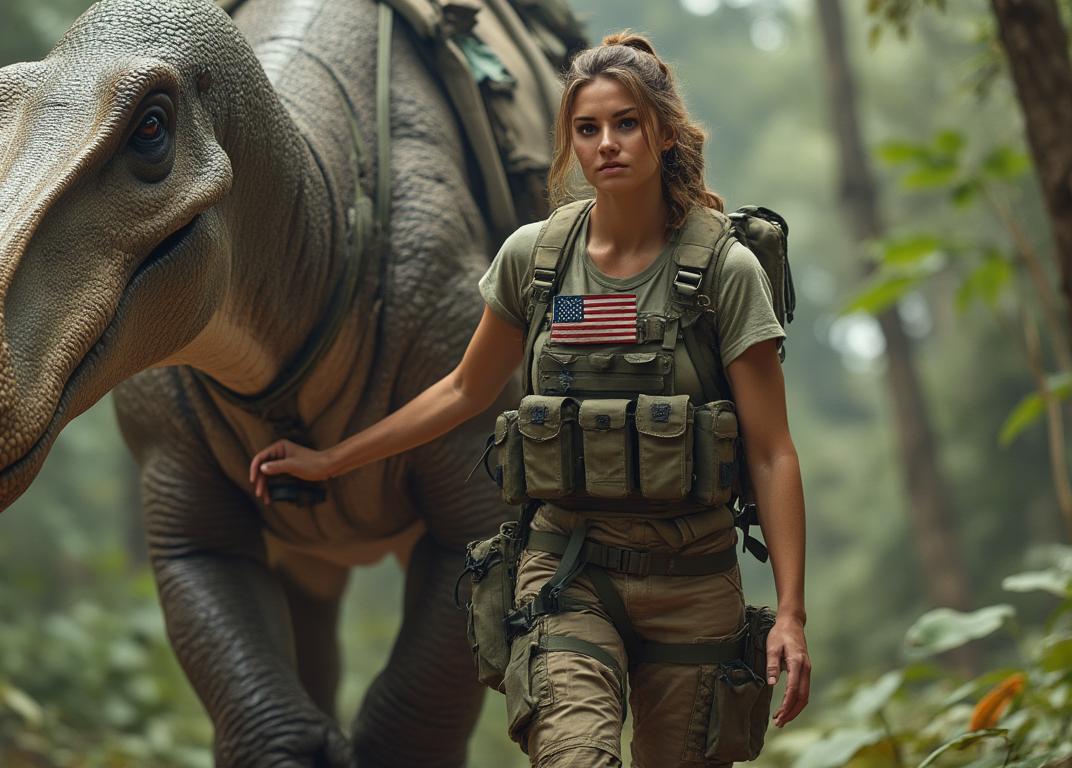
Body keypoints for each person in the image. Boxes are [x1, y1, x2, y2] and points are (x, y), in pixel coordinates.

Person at [249, 30, 810, 767]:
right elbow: (463, 390)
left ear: (666, 133)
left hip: (693, 580)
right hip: (567, 574)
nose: (607, 144)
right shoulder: (536, 260)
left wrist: (791, 614)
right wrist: (330, 461)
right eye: (587, 128)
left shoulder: (723, 271)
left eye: (627, 124)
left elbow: (771, 452)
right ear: (570, 140)